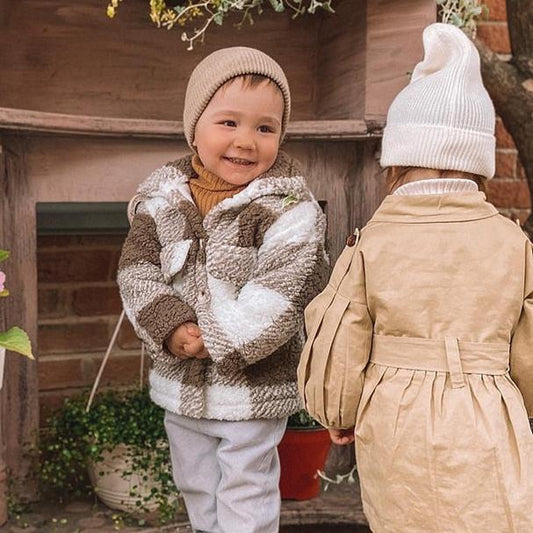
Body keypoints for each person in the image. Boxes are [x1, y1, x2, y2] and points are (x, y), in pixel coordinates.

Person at [298, 23, 533, 532]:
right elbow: (529, 342)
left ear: (396, 162)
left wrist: (336, 409)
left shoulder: (374, 242)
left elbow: (342, 331)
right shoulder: (511, 243)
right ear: (478, 166)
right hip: (489, 416)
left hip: (396, 417)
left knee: (405, 518)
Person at [117, 46, 327, 533]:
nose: (246, 141)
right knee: (196, 482)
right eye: (228, 123)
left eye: (265, 128)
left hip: (252, 389)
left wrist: (215, 335)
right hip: (181, 385)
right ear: (195, 127)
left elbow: (281, 292)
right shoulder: (163, 200)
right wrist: (171, 327)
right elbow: (137, 271)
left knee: (245, 487)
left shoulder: (288, 210)